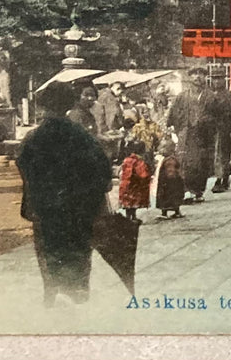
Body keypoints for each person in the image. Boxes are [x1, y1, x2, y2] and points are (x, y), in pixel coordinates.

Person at [18, 82, 113, 307]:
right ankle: (77, 295)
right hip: (78, 208)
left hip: (46, 208)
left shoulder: (34, 137)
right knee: (78, 250)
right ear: (68, 105)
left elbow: (23, 165)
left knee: (49, 251)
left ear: (44, 107)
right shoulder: (81, 136)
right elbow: (102, 170)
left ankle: (52, 294)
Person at [166, 69, 215, 202]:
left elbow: (218, 116)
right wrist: (175, 129)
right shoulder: (182, 96)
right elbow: (173, 114)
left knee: (202, 163)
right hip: (186, 134)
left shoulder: (211, 96)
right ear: (190, 77)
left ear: (205, 77)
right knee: (185, 163)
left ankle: (198, 191)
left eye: (201, 74)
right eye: (194, 74)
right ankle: (186, 190)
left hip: (204, 134)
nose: (197, 77)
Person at [208, 82, 231, 193]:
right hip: (211, 129)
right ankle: (222, 177)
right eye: (214, 79)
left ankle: (221, 179)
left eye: (219, 79)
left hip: (224, 128)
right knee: (214, 154)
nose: (216, 82)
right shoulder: (209, 95)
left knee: (222, 154)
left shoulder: (228, 96)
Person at [118, 138, 154, 222]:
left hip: (125, 184)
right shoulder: (138, 161)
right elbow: (142, 174)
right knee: (133, 201)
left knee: (127, 203)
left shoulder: (127, 160)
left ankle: (128, 217)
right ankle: (133, 217)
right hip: (134, 185)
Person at [154, 139, 186, 220]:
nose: (160, 150)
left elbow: (170, 172)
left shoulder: (169, 161)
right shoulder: (172, 159)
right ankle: (177, 211)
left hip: (168, 183)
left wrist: (165, 181)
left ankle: (164, 213)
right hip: (173, 183)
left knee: (166, 197)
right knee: (174, 198)